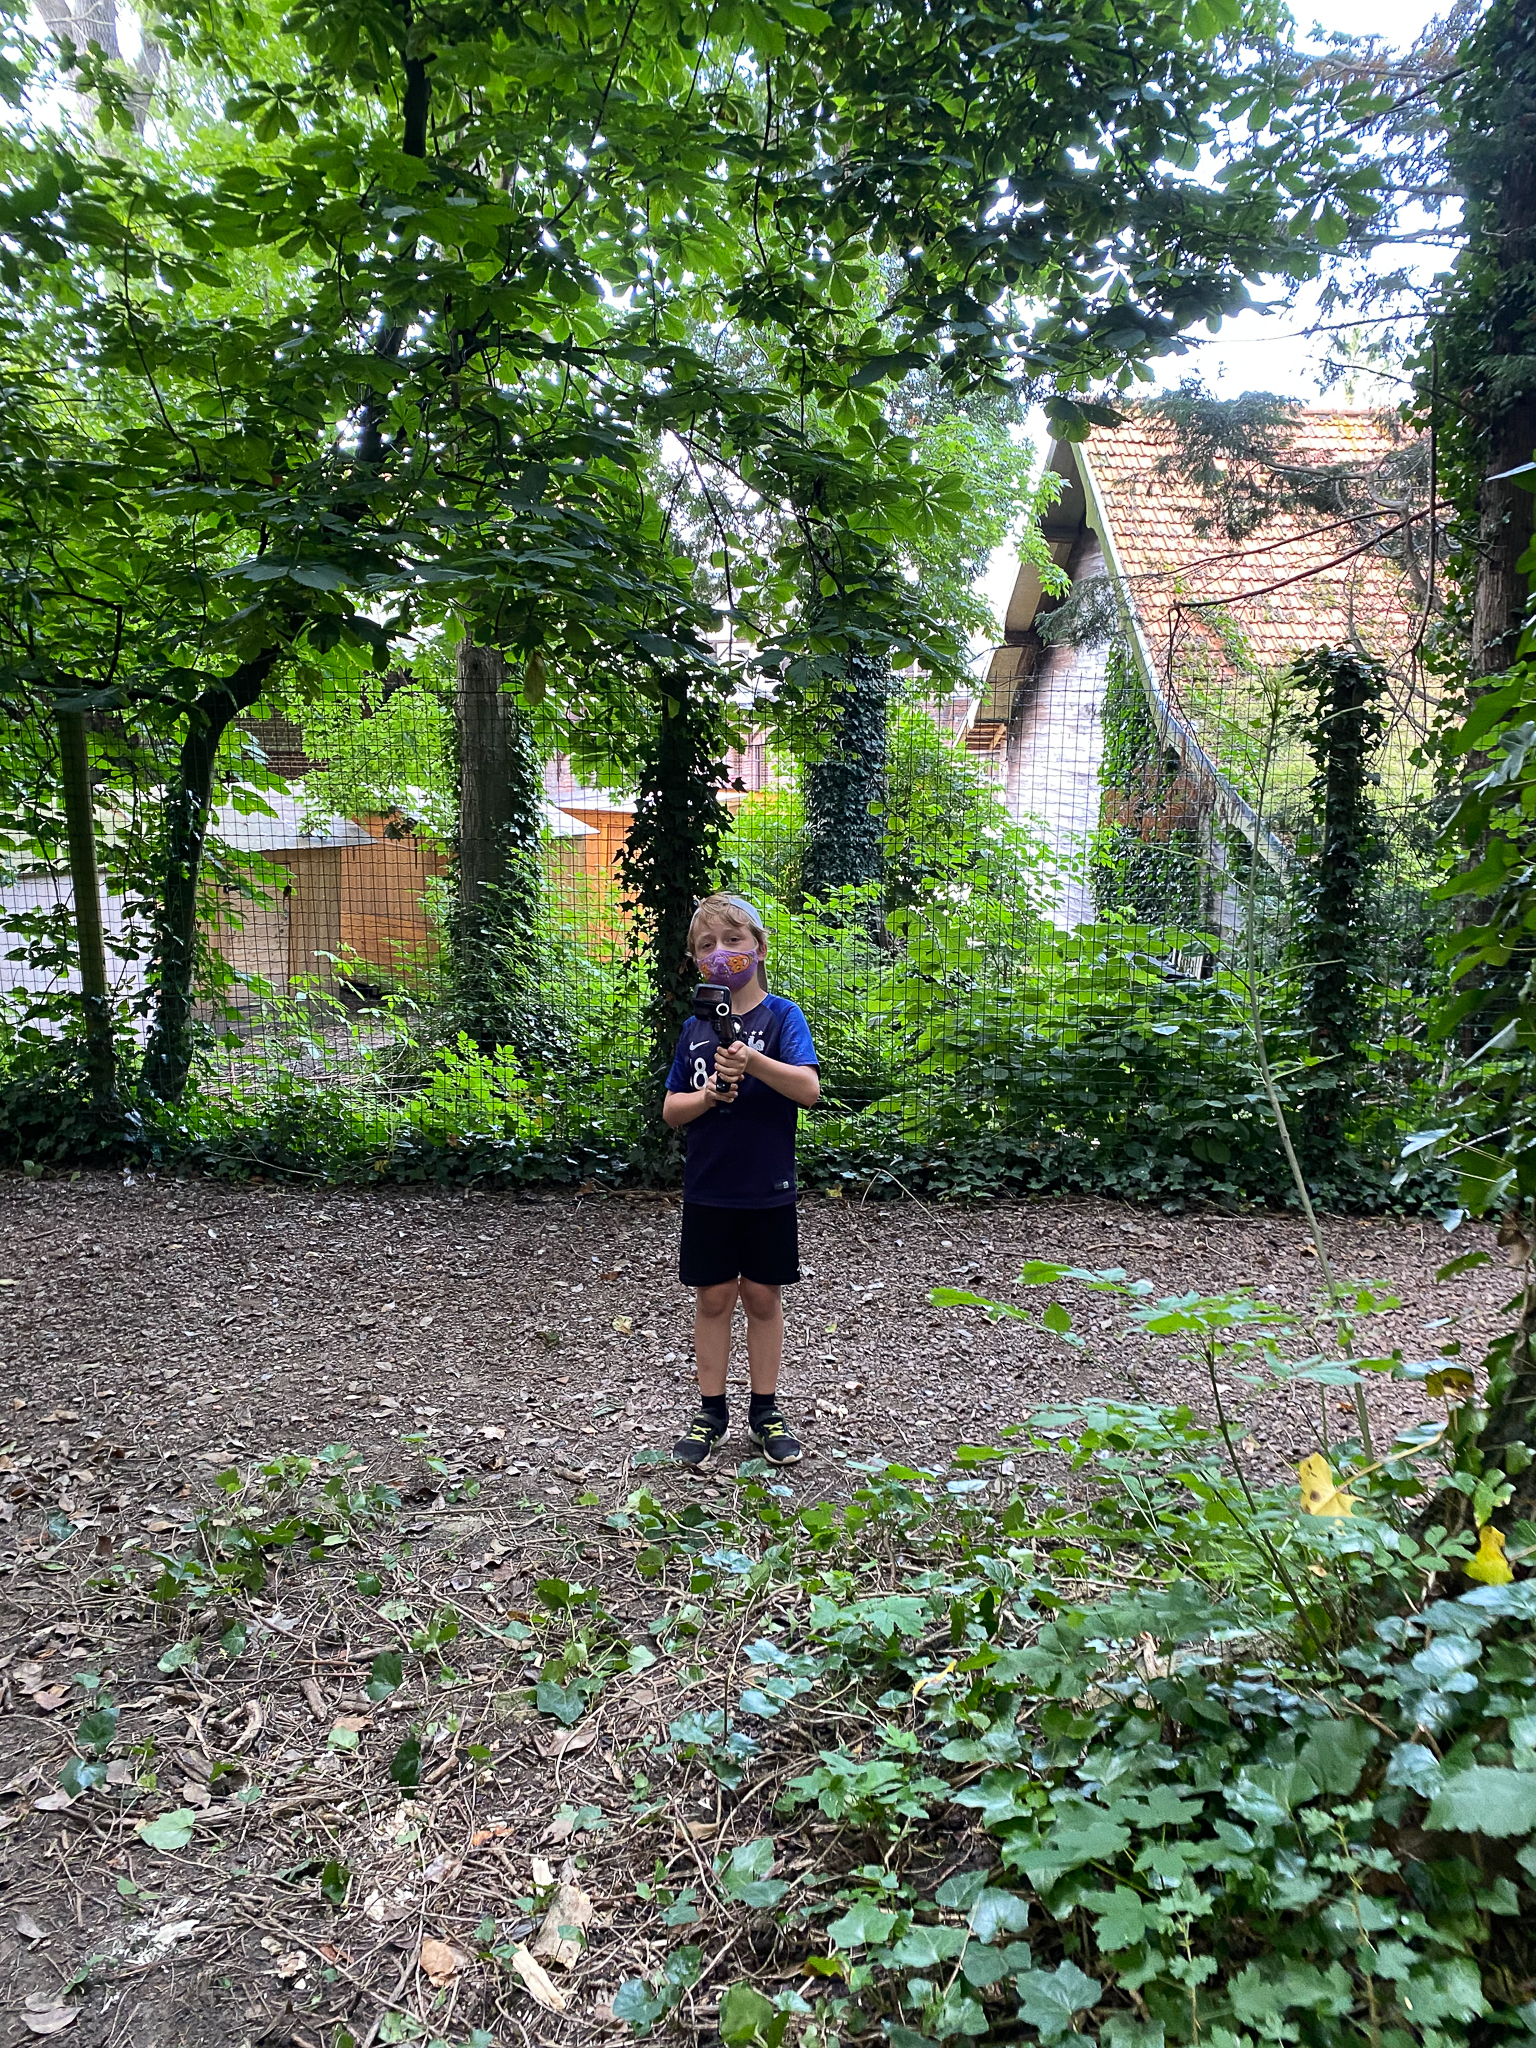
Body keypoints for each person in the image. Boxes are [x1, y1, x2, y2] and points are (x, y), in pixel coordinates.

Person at [661, 891, 820, 1471]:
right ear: (695, 960)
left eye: (733, 940)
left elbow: (808, 1090)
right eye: (707, 945)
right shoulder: (694, 1029)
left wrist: (753, 1062)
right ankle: (711, 1413)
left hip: (767, 1187)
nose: (721, 953)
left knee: (761, 1295)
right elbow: (671, 1110)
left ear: (759, 947)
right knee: (713, 1297)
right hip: (709, 1187)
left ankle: (765, 1411)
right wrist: (707, 1096)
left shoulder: (782, 1018)